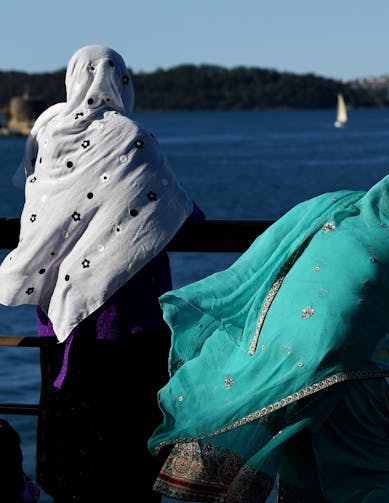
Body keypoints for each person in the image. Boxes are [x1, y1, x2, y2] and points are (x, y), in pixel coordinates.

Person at [147, 159, 389, 502]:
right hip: (339, 370)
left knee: (303, 474)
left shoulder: (332, 205)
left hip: (279, 357)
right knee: (374, 474)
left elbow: (272, 250)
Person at [0, 45, 202, 502]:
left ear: (74, 80)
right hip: (129, 321)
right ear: (124, 82)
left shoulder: (49, 133)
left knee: (71, 428)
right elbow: (176, 212)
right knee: (128, 439)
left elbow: (38, 200)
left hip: (58, 319)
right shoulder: (131, 137)